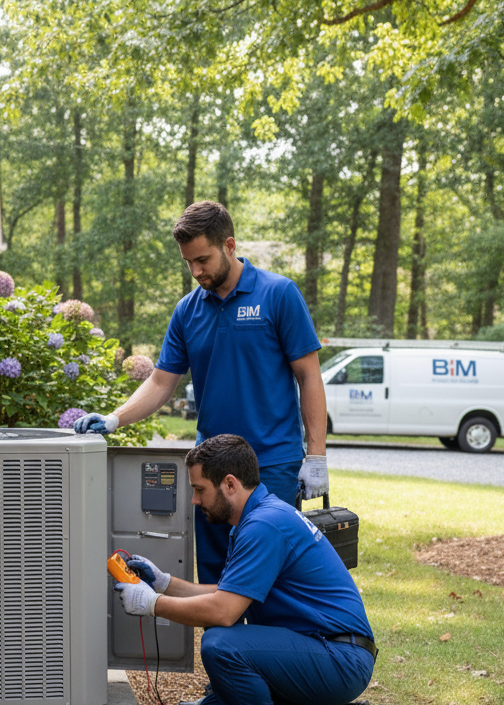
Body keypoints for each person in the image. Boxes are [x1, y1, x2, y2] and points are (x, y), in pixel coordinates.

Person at [73, 201, 330, 584]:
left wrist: (317, 457)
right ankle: (220, 646)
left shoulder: (279, 295)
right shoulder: (187, 311)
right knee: (215, 579)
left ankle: (268, 645)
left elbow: (309, 377)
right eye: (188, 262)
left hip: (271, 465)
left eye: (203, 259)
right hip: (210, 471)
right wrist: (115, 418)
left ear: (229, 245)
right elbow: (161, 382)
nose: (196, 271)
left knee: (273, 582)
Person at [113, 435, 377, 705]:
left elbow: (223, 612)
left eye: (199, 489)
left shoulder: (264, 525)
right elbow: (229, 595)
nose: (194, 500)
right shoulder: (259, 516)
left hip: (339, 656)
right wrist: (162, 583)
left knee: (222, 644)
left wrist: (151, 604)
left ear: (230, 484)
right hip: (320, 649)